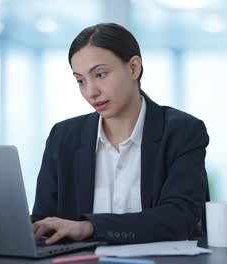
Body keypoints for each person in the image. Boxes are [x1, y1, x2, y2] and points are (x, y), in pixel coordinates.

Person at [32, 23, 209, 245]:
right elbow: (43, 222)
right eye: (81, 80)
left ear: (134, 68)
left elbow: (179, 219)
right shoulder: (64, 136)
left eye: (101, 74)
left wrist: (90, 227)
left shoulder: (182, 132)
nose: (90, 91)